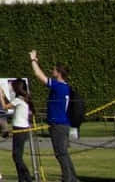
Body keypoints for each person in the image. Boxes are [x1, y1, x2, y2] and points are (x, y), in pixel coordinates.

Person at [29, 49, 81, 182]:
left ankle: (67, 178)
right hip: (63, 124)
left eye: (54, 70)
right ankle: (72, 177)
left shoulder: (58, 86)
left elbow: (39, 75)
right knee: (63, 153)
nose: (52, 71)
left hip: (58, 124)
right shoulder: (66, 87)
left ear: (58, 73)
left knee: (60, 153)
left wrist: (33, 60)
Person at [1, 78, 34, 182]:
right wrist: (3, 95)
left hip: (20, 128)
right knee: (17, 155)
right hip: (22, 128)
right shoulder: (22, 99)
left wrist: (0, 96)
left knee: (17, 156)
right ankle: (22, 178)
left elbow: (5, 107)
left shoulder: (19, 99)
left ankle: (27, 177)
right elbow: (11, 104)